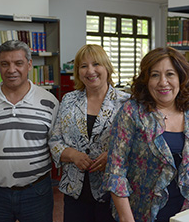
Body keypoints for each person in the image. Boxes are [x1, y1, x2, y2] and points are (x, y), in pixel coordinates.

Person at [102, 47, 189, 222]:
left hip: (185, 212)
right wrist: (128, 220)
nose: (163, 82)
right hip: (140, 214)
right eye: (155, 75)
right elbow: (115, 171)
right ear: (146, 80)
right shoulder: (131, 112)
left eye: (170, 74)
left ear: (181, 78)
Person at [0, 40, 59, 222]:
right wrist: (1, 164)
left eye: (18, 63)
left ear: (29, 65)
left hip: (37, 192)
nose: (11, 70)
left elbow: (54, 145)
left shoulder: (50, 102)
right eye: (5, 64)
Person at [49, 44, 130, 222]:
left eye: (96, 64)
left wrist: (112, 156)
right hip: (74, 191)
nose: (90, 71)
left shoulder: (126, 103)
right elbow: (55, 140)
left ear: (107, 67)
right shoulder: (69, 99)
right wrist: (72, 155)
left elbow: (137, 146)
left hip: (112, 193)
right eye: (83, 66)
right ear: (78, 72)